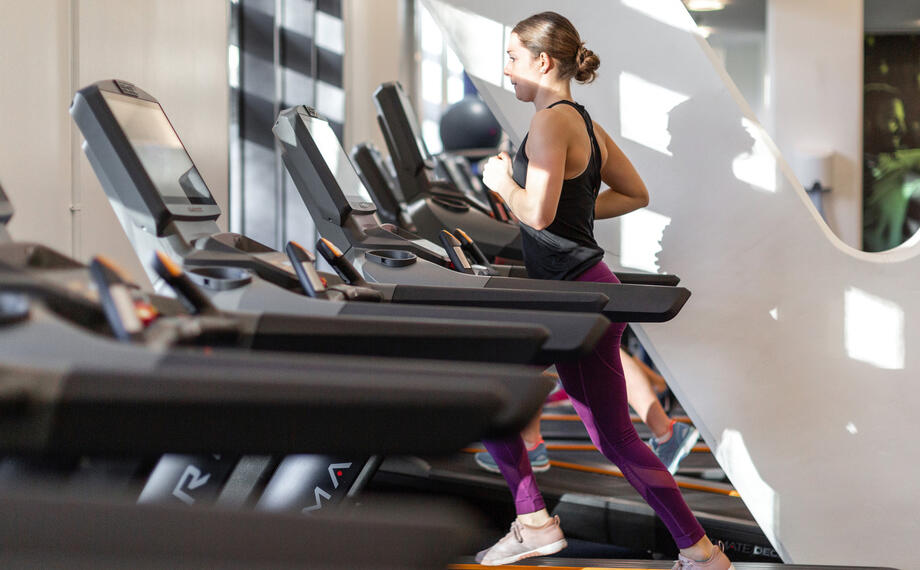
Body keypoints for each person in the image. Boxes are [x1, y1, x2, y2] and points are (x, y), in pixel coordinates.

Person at [475, 12, 733, 569]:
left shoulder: (549, 122)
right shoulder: (583, 122)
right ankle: (700, 552)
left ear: (543, 62)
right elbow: (633, 192)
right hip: (584, 289)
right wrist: (571, 209)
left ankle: (535, 522)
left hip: (571, 297)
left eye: (513, 57)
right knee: (614, 436)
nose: (507, 68)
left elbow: (537, 215)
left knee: (488, 397)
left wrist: (505, 185)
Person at [474, 345, 699, 475]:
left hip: (560, 270)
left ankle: (666, 432)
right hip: (565, 271)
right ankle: (530, 443)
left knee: (595, 345)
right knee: (594, 343)